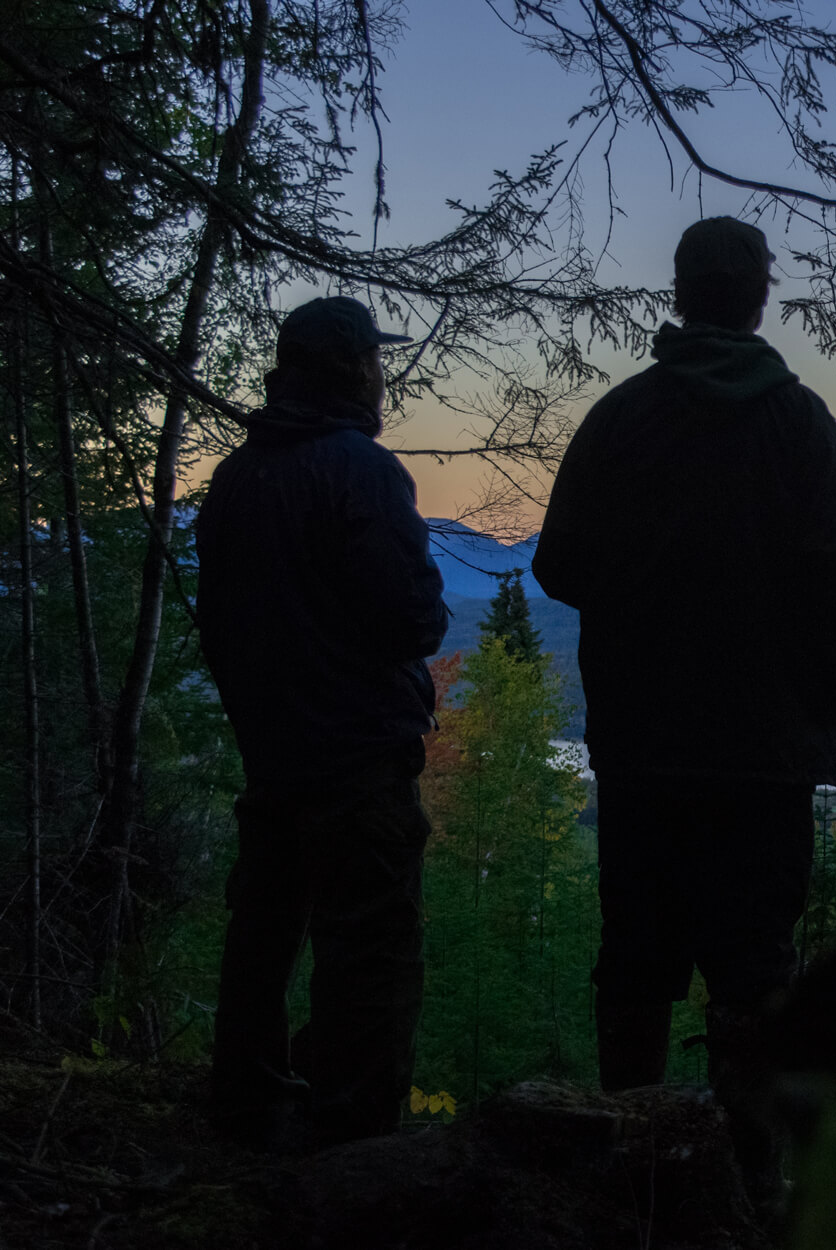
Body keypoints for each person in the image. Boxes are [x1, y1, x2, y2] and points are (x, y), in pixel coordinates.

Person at [533, 216, 836, 1210]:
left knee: (635, 963)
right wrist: (810, 673)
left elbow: (559, 564)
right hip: (764, 757)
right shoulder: (801, 424)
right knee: (755, 975)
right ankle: (750, 1182)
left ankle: (626, 1171)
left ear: (679, 291)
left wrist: (644, 603)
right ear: (759, 295)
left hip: (642, 744)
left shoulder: (622, 417)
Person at [198, 295, 448, 1150]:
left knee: (263, 930)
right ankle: (354, 1139)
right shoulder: (361, 471)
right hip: (359, 756)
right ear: (351, 368)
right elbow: (412, 621)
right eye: (375, 359)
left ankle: (244, 1104)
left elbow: (218, 624)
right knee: (370, 948)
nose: (384, 373)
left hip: (273, 753)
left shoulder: (238, 476)